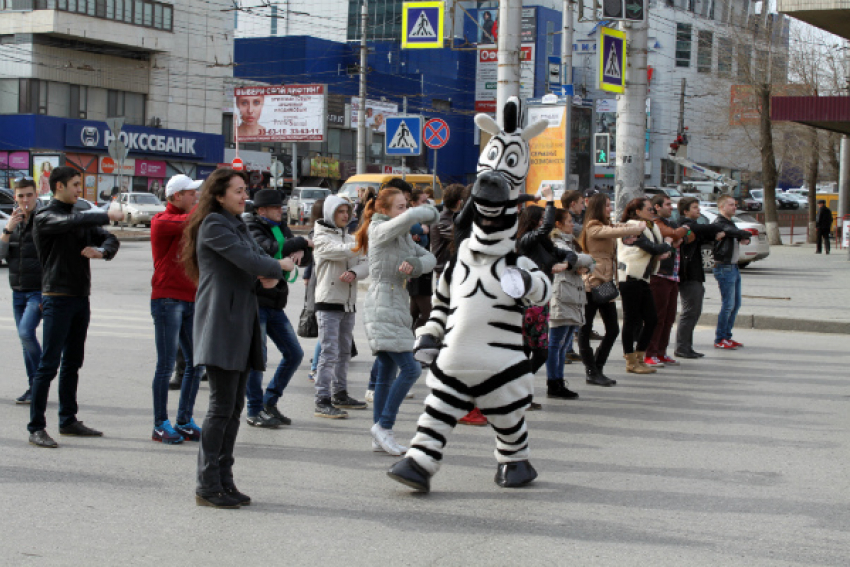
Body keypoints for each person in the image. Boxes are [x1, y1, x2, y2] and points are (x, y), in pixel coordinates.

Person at [182, 168, 290, 509]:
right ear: (218, 195)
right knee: (220, 407)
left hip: (241, 320)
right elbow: (249, 259)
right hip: (221, 323)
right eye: (238, 191)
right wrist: (279, 266)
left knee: (234, 408)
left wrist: (267, 275)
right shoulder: (214, 224)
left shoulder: (237, 223)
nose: (245, 196)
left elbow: (253, 264)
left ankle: (224, 481)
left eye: (245, 190)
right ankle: (207, 485)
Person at [27, 166, 123, 448]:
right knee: (48, 365)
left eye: (80, 185)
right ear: (58, 187)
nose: (79, 190)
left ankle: (68, 420)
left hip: (81, 297)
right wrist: (105, 213)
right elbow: (70, 222)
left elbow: (109, 239)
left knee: (73, 362)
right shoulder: (45, 215)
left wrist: (102, 251)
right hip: (57, 296)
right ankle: (36, 427)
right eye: (75, 185)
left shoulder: (78, 217)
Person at [355, 187, 438, 455]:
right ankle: (384, 427)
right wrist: (419, 210)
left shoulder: (402, 235)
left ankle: (379, 432)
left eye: (405, 206)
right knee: (412, 370)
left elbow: (431, 258)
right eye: (400, 207)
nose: (404, 212)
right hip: (382, 303)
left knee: (386, 373)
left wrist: (414, 263)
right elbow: (415, 217)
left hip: (396, 302)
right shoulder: (379, 230)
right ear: (384, 210)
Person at [245, 189, 311, 428]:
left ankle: (269, 401)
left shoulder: (280, 227)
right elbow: (268, 249)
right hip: (256, 301)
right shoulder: (251, 225)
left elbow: (302, 259)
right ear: (261, 210)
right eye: (275, 208)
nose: (280, 212)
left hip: (275, 301)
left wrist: (303, 250)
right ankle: (254, 410)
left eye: (281, 208)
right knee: (257, 358)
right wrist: (301, 242)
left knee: (294, 354)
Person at [149, 174, 204, 445]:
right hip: (167, 299)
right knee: (166, 364)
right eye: (191, 193)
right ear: (176, 197)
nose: (196, 197)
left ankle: (184, 420)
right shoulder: (162, 221)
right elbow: (191, 222)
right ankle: (160, 424)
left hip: (191, 298)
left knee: (196, 362)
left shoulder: (192, 220)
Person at [516, 187, 578, 407]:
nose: (545, 223)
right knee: (529, 352)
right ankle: (519, 392)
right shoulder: (526, 240)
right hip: (528, 303)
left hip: (542, 302)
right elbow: (546, 229)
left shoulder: (543, 243)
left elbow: (567, 254)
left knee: (539, 353)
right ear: (533, 221)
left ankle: (519, 389)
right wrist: (550, 201)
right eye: (541, 219)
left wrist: (567, 263)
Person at [576, 193, 644, 387]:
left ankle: (598, 367)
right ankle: (591, 371)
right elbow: (613, 232)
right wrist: (635, 228)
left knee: (613, 329)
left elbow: (616, 228)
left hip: (605, 283)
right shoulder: (592, 227)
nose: (610, 208)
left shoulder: (606, 225)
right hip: (591, 283)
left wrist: (633, 229)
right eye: (606, 205)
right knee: (585, 329)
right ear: (598, 207)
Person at [313, 195, 369, 418]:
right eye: (340, 212)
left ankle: (340, 393)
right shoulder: (321, 236)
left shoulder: (350, 237)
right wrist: (364, 240)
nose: (345, 216)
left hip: (348, 303)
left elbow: (366, 263)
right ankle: (322, 399)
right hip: (328, 301)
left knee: (345, 352)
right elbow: (344, 250)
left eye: (348, 212)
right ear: (330, 213)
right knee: (329, 352)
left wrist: (355, 272)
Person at [617, 198, 673, 374]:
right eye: (649, 209)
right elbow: (653, 248)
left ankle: (640, 357)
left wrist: (660, 251)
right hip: (630, 276)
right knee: (631, 320)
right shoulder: (632, 227)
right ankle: (630, 360)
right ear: (638, 211)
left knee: (651, 319)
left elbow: (654, 249)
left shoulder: (650, 226)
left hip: (644, 278)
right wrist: (667, 245)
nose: (652, 212)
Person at [0, 177, 43, 405]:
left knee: (27, 333)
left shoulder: (44, 221)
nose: (25, 200)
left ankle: (41, 378)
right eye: (20, 196)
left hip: (38, 291)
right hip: (17, 291)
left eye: (29, 195)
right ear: (15, 198)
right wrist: (8, 230)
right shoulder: (12, 224)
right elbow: (1, 255)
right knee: (24, 340)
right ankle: (34, 387)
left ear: (36, 195)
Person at [547, 208, 593, 399]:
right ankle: (554, 382)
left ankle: (559, 380)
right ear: (558, 224)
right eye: (568, 221)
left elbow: (590, 261)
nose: (572, 224)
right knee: (556, 342)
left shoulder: (569, 241)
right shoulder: (555, 241)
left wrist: (582, 263)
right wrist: (579, 262)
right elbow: (583, 258)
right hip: (562, 295)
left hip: (573, 294)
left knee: (564, 342)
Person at [675, 197, 725, 359]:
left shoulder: (692, 227)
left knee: (694, 311)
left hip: (694, 273)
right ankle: (682, 347)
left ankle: (686, 346)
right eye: (695, 207)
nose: (698, 210)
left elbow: (705, 235)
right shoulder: (686, 225)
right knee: (690, 312)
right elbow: (707, 229)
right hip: (688, 274)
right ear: (685, 211)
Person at [645, 194, 688, 368]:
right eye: (668, 204)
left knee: (669, 318)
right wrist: (679, 233)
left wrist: (681, 233)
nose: (672, 207)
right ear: (657, 207)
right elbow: (671, 234)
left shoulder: (670, 222)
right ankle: (649, 353)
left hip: (673, 275)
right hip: (660, 274)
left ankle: (661, 352)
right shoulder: (656, 223)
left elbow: (688, 235)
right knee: (658, 317)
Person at [712, 194, 752, 350]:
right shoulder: (719, 223)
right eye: (731, 205)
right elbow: (738, 233)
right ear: (722, 207)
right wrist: (740, 234)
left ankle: (727, 336)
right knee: (728, 305)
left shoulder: (730, 223)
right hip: (724, 267)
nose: (734, 207)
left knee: (736, 304)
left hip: (733, 266)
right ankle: (720, 338)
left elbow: (743, 235)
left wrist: (741, 236)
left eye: (735, 205)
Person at [408, 188, 432, 330]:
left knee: (415, 310)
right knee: (427, 312)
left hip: (424, 265)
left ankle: (409, 335)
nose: (426, 204)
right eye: (423, 201)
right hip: (416, 266)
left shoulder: (424, 218)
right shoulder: (411, 218)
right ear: (414, 203)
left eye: (427, 201)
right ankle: (417, 335)